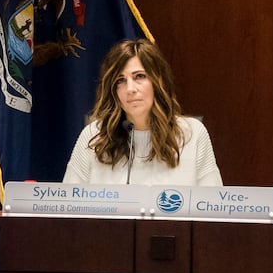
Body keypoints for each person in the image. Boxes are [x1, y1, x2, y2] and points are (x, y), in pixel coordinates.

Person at [62, 39, 222, 186]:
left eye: (139, 76)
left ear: (158, 82)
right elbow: (67, 208)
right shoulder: (94, 135)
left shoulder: (192, 134)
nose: (130, 89)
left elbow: (212, 208)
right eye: (120, 80)